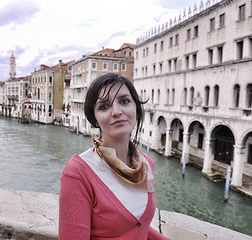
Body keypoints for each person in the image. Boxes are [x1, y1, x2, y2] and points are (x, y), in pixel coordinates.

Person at [59, 73, 171, 239]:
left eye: (124, 101)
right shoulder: (78, 173)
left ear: (136, 108)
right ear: (95, 119)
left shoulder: (146, 164)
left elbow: (141, 225)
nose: (117, 112)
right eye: (104, 106)